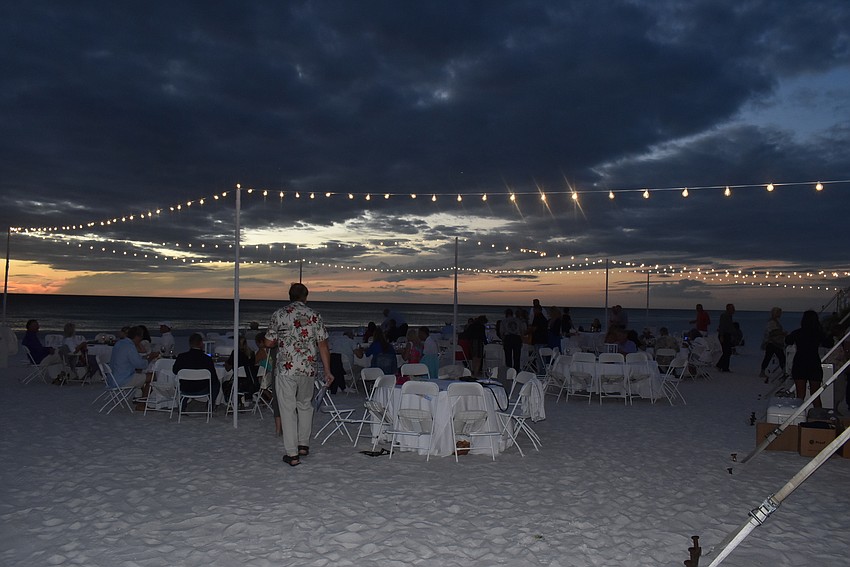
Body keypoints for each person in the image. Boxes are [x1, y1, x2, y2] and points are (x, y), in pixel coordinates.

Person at [265, 283, 334, 467]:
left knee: (287, 409)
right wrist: (327, 370)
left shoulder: (279, 314)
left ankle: (292, 454)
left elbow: (268, 342)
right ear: (305, 297)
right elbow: (323, 345)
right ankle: (303, 444)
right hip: (307, 368)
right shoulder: (314, 315)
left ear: (289, 296)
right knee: (305, 405)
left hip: (286, 369)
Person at [786, 311, 832, 408]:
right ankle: (819, 415)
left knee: (800, 396)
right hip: (813, 363)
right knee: (815, 396)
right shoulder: (819, 333)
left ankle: (798, 415)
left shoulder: (797, 333)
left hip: (800, 363)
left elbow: (788, 341)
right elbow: (829, 343)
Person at [111, 326, 160, 409]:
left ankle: (140, 397)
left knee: (144, 375)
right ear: (137, 337)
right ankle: (142, 404)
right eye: (141, 337)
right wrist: (150, 358)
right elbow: (141, 365)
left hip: (113, 377)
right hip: (124, 379)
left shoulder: (119, 343)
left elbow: (132, 359)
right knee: (153, 376)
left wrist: (147, 357)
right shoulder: (130, 346)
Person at [172, 333, 221, 411]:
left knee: (187, 382)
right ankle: (210, 404)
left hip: (185, 387)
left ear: (190, 344)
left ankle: (183, 405)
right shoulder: (207, 359)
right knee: (216, 384)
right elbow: (213, 377)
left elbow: (175, 371)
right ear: (201, 343)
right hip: (202, 388)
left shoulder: (182, 357)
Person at [223, 335, 258, 404]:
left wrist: (226, 363)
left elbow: (228, 369)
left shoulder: (235, 353)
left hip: (239, 383)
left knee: (224, 383)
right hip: (252, 382)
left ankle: (231, 402)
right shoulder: (251, 353)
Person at [759, 307, 787, 382]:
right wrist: (782, 333)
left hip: (774, 342)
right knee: (780, 357)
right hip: (773, 343)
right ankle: (784, 372)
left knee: (770, 357)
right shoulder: (772, 322)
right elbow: (773, 332)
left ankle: (763, 371)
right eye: (779, 313)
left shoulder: (774, 322)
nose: (780, 314)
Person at [716, 303, 735, 372]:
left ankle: (724, 367)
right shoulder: (724, 315)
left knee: (728, 352)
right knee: (726, 351)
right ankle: (720, 365)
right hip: (724, 335)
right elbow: (722, 326)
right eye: (732, 308)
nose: (733, 310)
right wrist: (721, 336)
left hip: (728, 335)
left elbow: (730, 327)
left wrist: (732, 335)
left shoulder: (730, 316)